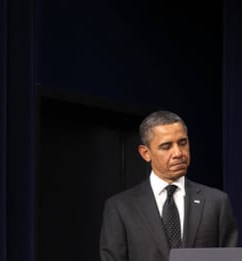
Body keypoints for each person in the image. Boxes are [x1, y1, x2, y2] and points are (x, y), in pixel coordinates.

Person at [99, 110, 238, 261]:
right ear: (145, 153)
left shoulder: (217, 202)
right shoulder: (120, 207)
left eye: (183, 143)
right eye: (166, 146)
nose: (178, 153)